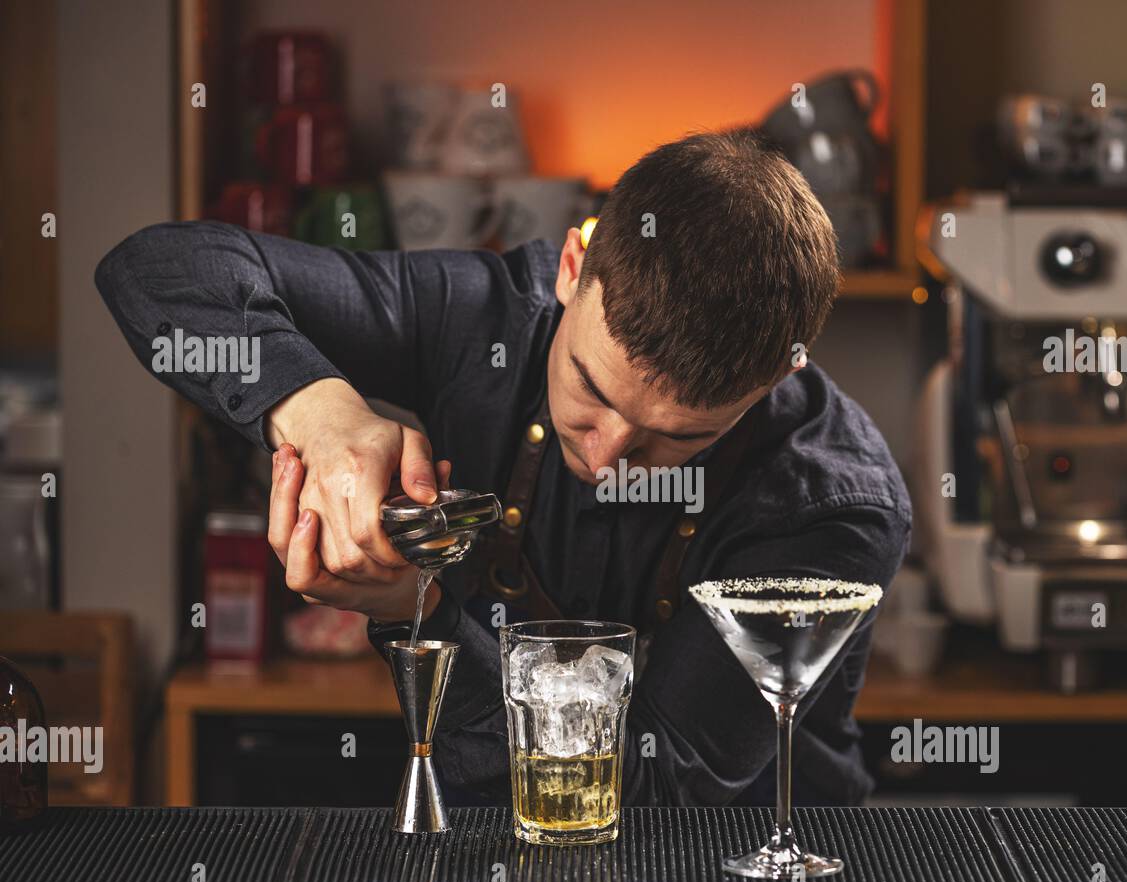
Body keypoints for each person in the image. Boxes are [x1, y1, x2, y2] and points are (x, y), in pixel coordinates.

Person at [95, 129, 910, 806]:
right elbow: (158, 268)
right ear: (571, 267)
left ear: (777, 379)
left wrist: (418, 614)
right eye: (590, 387)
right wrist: (319, 412)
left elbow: (655, 793)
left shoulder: (831, 502)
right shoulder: (484, 317)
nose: (604, 454)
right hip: (486, 854)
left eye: (676, 437)